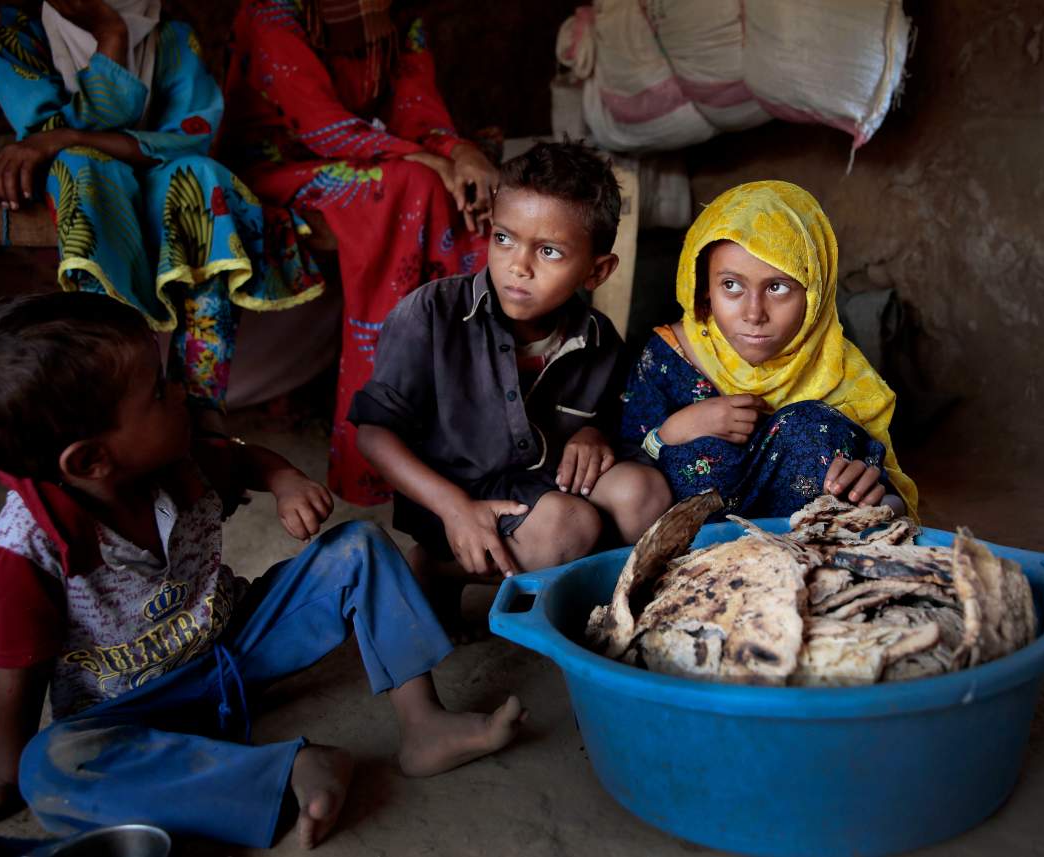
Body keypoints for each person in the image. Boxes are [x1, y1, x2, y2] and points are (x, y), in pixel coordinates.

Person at [0, 292, 524, 850]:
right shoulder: (24, 554)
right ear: (93, 459)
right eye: (158, 389)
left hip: (232, 647)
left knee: (359, 547)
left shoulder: (177, 451)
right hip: (131, 709)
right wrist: (4, 777)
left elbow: (240, 456)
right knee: (51, 770)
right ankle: (286, 769)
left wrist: (283, 480)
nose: (182, 392)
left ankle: (425, 726)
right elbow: (16, 675)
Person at [349, 141, 671, 623]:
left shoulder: (600, 340)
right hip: (451, 493)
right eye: (504, 239)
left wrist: (593, 433)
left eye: (549, 251)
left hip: (539, 481)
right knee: (569, 526)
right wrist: (455, 508)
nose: (519, 266)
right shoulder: (430, 314)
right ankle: (440, 568)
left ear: (597, 271)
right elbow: (373, 433)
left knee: (645, 492)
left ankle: (612, 613)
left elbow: (612, 416)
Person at [0, 1, 325, 432]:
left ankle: (200, 407)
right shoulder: (9, 30)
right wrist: (111, 37)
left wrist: (72, 130)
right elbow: (42, 136)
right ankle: (117, 403)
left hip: (154, 171)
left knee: (203, 175)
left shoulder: (171, 34)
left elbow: (191, 138)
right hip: (87, 177)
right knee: (82, 165)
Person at [222, 0, 498, 505]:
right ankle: (375, 443)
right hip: (273, 166)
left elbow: (417, 110)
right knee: (410, 186)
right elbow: (317, 123)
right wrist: (422, 159)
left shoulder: (394, 12)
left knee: (476, 200)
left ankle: (467, 424)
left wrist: (460, 154)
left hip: (373, 155)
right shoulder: (274, 10)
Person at [621, 180, 919, 521]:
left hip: (803, 564)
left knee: (813, 424)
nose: (753, 313)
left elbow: (893, 505)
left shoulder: (844, 376)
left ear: (814, 292)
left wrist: (874, 499)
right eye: (731, 285)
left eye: (778, 287)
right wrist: (672, 432)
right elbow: (619, 482)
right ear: (704, 288)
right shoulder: (668, 358)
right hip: (691, 567)